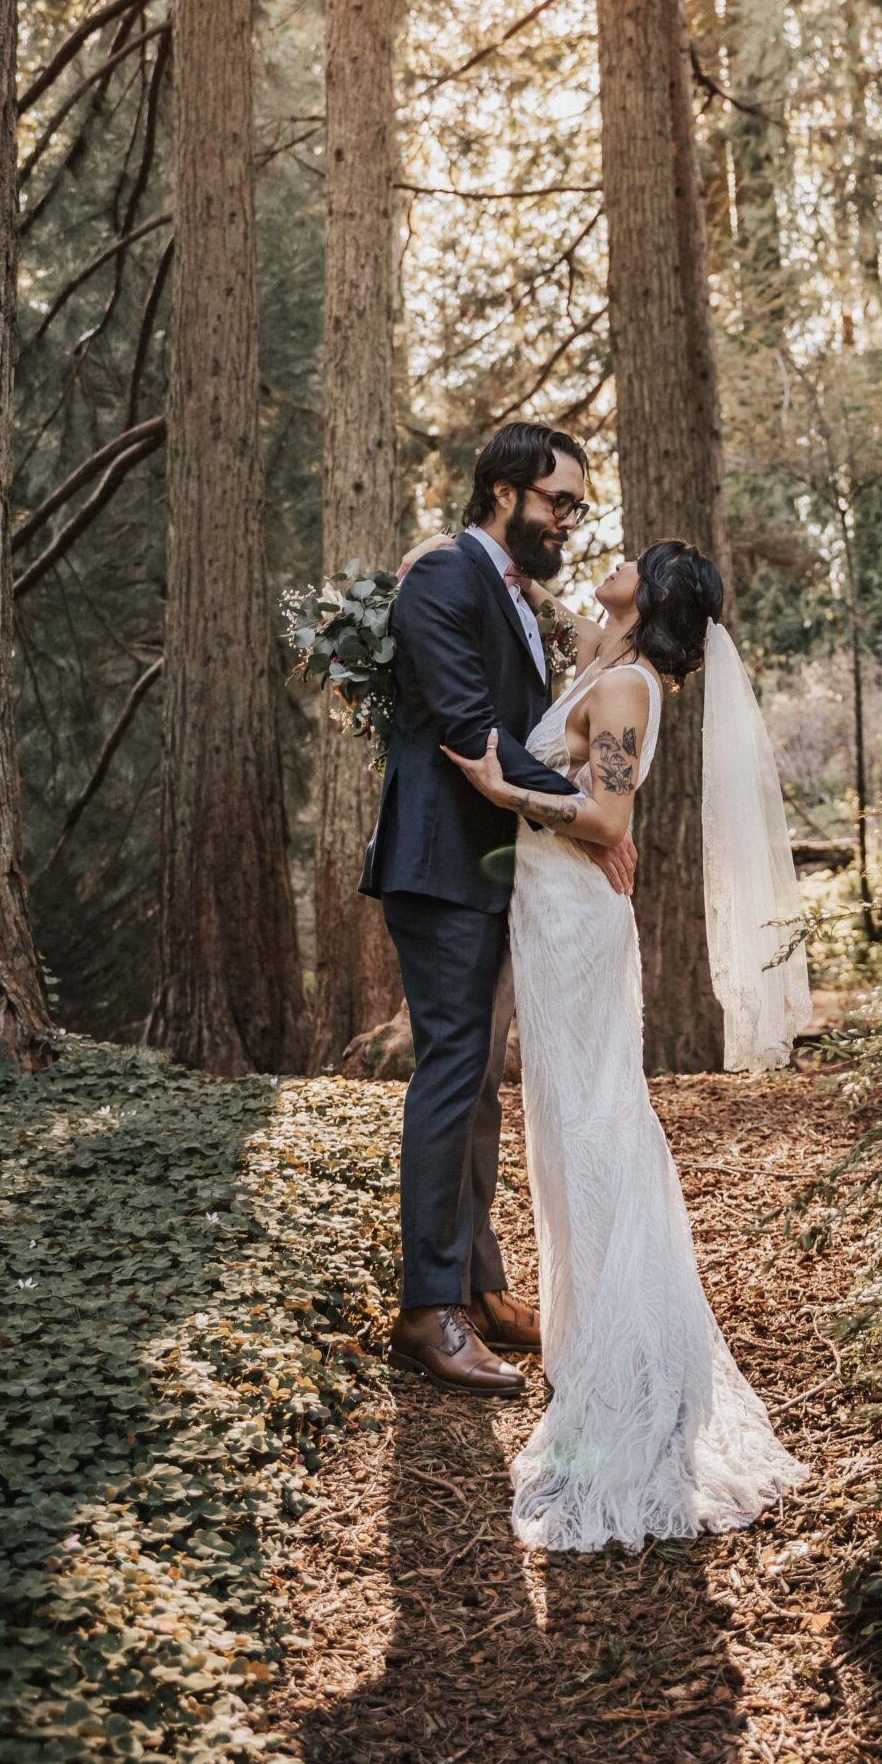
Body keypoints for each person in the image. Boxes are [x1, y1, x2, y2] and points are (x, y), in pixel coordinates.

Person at [445, 541, 812, 1551]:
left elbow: (606, 815)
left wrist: (496, 785)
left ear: (653, 597)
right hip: (551, 910)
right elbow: (546, 610)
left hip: (573, 925)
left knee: (596, 1122)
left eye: (633, 560)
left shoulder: (628, 693)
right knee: (571, 1128)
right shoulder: (609, 664)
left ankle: (630, 1366)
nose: (614, 559)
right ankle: (600, 1340)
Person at [361, 422, 635, 1399]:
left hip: (490, 867)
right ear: (503, 491)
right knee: (450, 1076)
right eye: (559, 501)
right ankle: (427, 1309)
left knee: (478, 1083)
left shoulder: (518, 597)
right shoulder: (442, 577)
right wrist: (590, 821)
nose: (569, 521)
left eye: (575, 508)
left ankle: (476, 1286)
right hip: (438, 866)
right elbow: (471, 729)